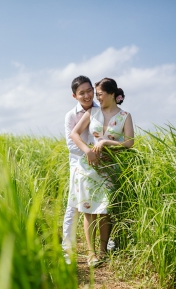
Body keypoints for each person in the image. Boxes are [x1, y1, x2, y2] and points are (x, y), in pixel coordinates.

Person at [70, 77, 134, 266]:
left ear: (112, 94)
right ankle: (91, 254)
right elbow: (74, 134)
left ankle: (103, 252)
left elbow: (129, 143)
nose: (96, 98)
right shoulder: (92, 112)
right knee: (88, 210)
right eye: (95, 94)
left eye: (99, 94)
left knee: (105, 210)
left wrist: (106, 142)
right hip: (88, 167)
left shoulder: (125, 116)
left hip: (109, 168)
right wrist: (88, 151)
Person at [62, 75, 98, 264]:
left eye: (89, 90)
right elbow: (71, 144)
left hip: (101, 161)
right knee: (74, 205)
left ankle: (107, 245)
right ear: (74, 96)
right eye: (81, 93)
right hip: (78, 162)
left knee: (104, 203)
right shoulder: (71, 115)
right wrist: (90, 152)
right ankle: (68, 250)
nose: (86, 95)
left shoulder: (101, 110)